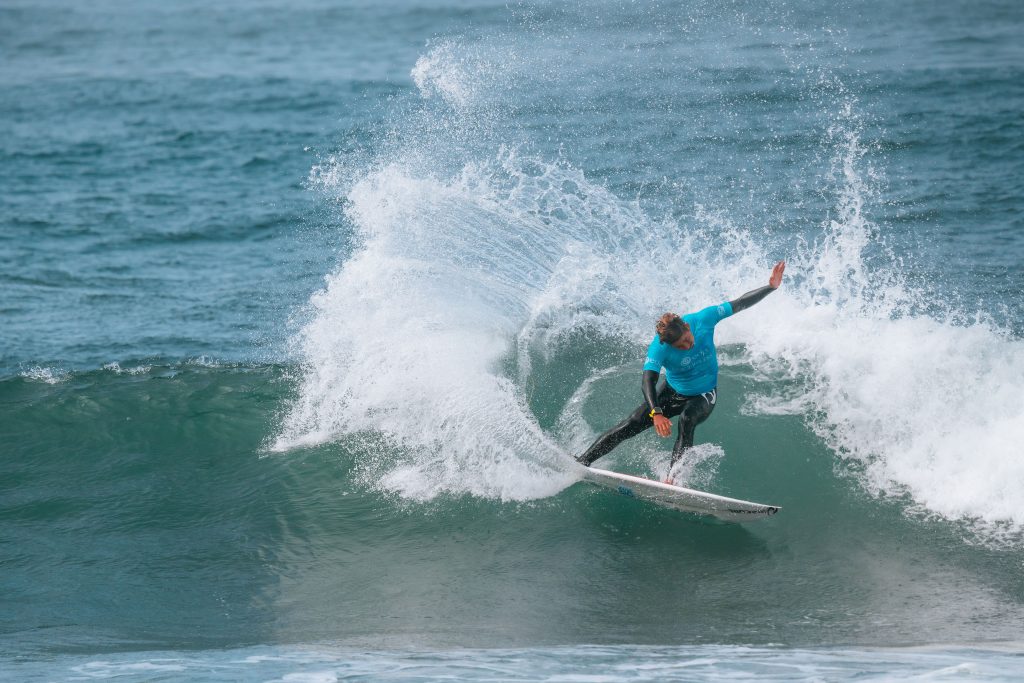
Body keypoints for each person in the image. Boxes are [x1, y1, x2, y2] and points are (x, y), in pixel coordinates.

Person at [576, 261, 786, 483]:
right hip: (672, 391)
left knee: (686, 420)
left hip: (703, 394)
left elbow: (741, 302)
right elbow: (648, 380)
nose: (687, 346)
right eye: (680, 346)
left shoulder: (704, 318)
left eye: (687, 340)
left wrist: (770, 287)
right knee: (630, 424)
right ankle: (582, 462)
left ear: (687, 327)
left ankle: (672, 479)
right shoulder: (659, 347)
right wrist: (656, 412)